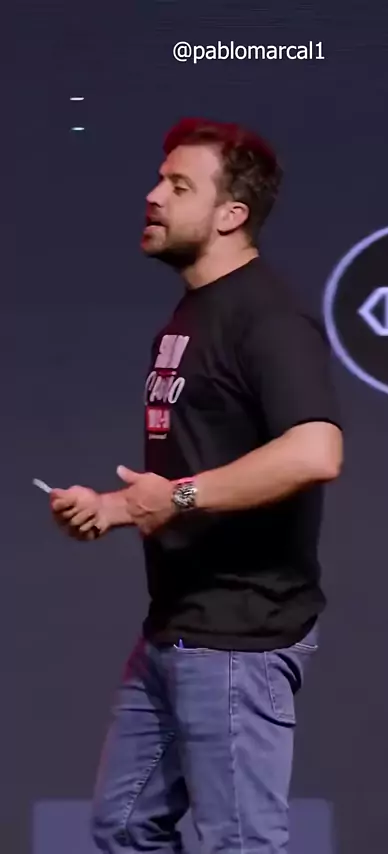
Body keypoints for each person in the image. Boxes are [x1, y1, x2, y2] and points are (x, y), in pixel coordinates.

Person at [51, 117, 343, 854]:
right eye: (160, 179)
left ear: (230, 214)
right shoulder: (193, 314)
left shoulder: (267, 316)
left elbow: (315, 450)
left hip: (238, 639)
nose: (153, 195)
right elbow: (195, 464)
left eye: (179, 186)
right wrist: (116, 507)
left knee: (239, 843)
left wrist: (178, 497)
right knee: (124, 827)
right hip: (174, 629)